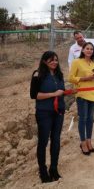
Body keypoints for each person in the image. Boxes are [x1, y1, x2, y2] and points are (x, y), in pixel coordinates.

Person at [30, 51, 65, 183]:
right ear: (44, 61)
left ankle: (54, 169)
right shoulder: (38, 74)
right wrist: (53, 94)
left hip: (59, 112)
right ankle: (43, 171)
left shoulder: (59, 75)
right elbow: (34, 95)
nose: (54, 62)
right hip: (44, 112)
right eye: (51, 60)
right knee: (43, 141)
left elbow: (61, 92)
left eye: (56, 59)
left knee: (56, 140)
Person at [69, 42, 94, 155]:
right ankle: (83, 142)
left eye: (91, 49)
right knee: (83, 118)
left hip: (93, 93)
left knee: (90, 119)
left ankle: (89, 141)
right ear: (83, 50)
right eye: (87, 48)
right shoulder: (76, 62)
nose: (89, 50)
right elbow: (71, 78)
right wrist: (85, 78)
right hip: (82, 94)